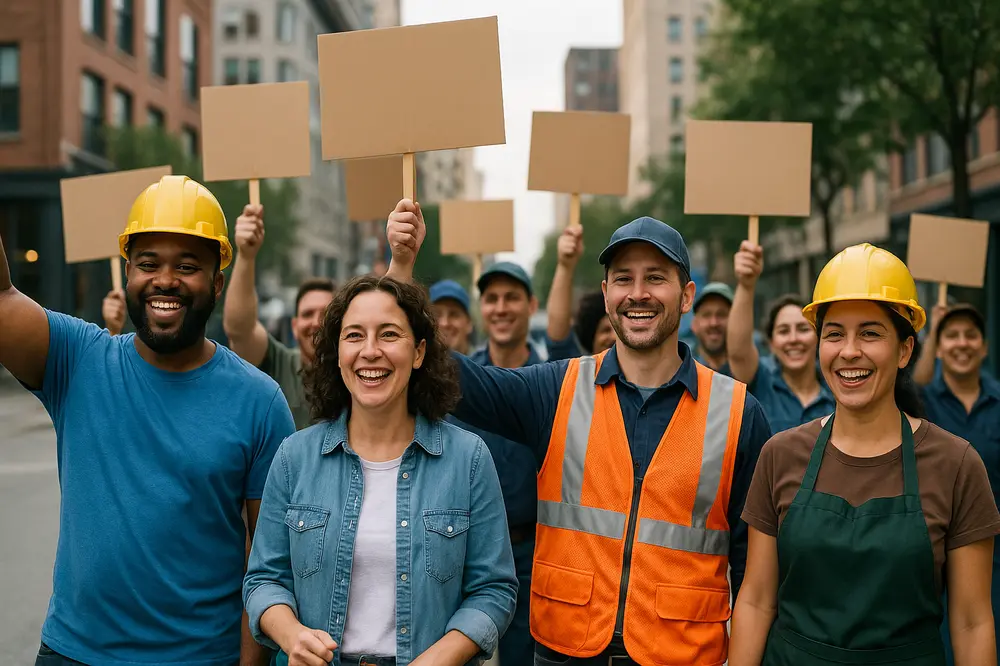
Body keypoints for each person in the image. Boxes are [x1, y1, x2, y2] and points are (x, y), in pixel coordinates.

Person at [386, 201, 773, 665]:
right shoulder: (557, 390)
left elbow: (753, 578)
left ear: (686, 295)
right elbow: (452, 376)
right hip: (565, 652)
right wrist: (401, 271)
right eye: (624, 279)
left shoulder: (737, 413)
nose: (638, 294)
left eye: (655, 278)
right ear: (606, 294)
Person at [0, 174, 295, 665]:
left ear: (217, 283)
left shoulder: (260, 401)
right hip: (73, 654)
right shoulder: (75, 359)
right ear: (128, 273)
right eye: (148, 263)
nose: (165, 280)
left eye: (187, 266)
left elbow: (266, 564)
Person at [730, 243, 1000, 666]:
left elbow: (971, 622)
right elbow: (756, 600)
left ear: (905, 350)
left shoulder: (957, 464)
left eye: (870, 333)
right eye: (834, 333)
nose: (849, 351)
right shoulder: (780, 454)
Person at [243, 275, 518, 666]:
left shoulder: (468, 459)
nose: (370, 351)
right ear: (338, 352)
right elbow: (263, 580)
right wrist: (293, 636)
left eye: (389, 334)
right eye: (354, 336)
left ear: (419, 352)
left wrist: (436, 660)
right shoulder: (294, 457)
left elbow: (494, 590)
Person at [914, 303, 1000, 665]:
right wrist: (932, 330)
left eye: (970, 335)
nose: (962, 343)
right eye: (951, 336)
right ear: (938, 347)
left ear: (985, 346)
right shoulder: (922, 400)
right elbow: (914, 379)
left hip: (992, 550)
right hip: (934, 550)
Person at [222, 204, 335, 430]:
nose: (316, 323)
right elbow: (240, 331)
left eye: (326, 314)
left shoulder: (358, 370)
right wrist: (246, 255)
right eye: (307, 314)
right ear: (294, 326)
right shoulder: (278, 364)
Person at [728, 241, 835, 433]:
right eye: (783, 331)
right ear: (771, 343)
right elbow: (738, 353)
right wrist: (746, 285)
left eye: (803, 329)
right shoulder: (761, 383)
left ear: (818, 338)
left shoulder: (838, 387)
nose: (794, 339)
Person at [545, 225, 616, 356]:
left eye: (618, 330)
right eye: (605, 330)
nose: (613, 337)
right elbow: (558, 342)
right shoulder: (580, 368)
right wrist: (565, 265)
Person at [690, 281, 734, 371]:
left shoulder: (753, 370)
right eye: (706, 315)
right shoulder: (680, 367)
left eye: (722, 314)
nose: (714, 323)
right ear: (694, 324)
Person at [428, 279, 474, 354]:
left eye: (454, 314)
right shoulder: (414, 360)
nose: (445, 323)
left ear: (469, 323)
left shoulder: (486, 360)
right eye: (436, 315)